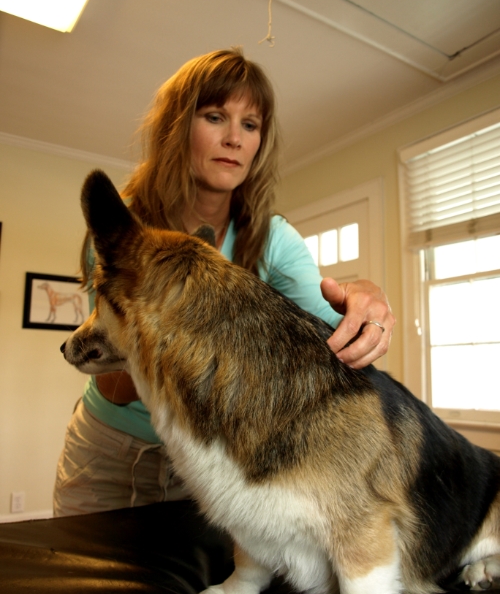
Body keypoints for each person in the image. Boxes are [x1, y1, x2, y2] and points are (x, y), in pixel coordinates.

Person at [53, 48, 395, 517]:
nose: (234, 138)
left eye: (250, 125)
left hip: (218, 461)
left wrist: (365, 302)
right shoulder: (121, 235)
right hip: (110, 450)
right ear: (178, 129)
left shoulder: (273, 239)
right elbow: (116, 383)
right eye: (215, 117)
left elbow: (328, 341)